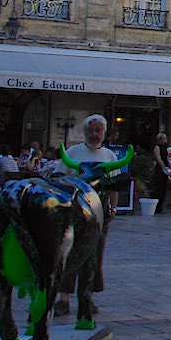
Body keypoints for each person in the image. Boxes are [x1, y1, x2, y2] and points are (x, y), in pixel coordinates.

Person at [55, 115, 118, 317]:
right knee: (68, 252)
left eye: (98, 130)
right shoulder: (73, 153)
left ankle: (87, 295)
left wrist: (114, 209)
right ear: (84, 132)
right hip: (75, 210)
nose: (94, 134)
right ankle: (63, 297)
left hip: (100, 212)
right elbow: (59, 178)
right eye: (91, 130)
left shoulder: (110, 156)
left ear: (104, 132)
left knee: (95, 253)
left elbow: (114, 186)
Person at [151, 132, 171, 214]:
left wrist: (170, 167)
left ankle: (160, 207)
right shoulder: (157, 147)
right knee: (158, 188)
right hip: (160, 169)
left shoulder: (165, 147)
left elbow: (167, 158)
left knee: (163, 188)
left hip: (166, 169)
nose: (166, 140)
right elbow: (158, 158)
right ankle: (156, 207)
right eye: (164, 138)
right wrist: (163, 167)